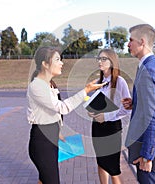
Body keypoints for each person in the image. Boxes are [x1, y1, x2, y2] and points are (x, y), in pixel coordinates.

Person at [27, 46, 106, 184]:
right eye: (57, 60)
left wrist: (58, 132)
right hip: (42, 143)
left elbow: (51, 113)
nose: (61, 63)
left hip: (50, 138)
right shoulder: (37, 86)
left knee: (44, 179)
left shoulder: (49, 85)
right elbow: (62, 108)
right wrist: (86, 90)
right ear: (45, 64)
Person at [122, 24, 155, 184]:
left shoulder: (149, 71)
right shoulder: (152, 66)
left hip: (149, 143)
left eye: (131, 40)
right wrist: (136, 103)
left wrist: (147, 155)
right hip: (153, 140)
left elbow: (154, 117)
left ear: (142, 42)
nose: (128, 44)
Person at [88, 49, 131, 184]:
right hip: (97, 127)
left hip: (112, 128)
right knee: (101, 163)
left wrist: (105, 117)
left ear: (112, 62)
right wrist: (92, 112)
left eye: (104, 59)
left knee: (113, 168)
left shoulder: (120, 81)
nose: (100, 62)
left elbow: (127, 109)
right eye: (99, 59)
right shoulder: (99, 82)